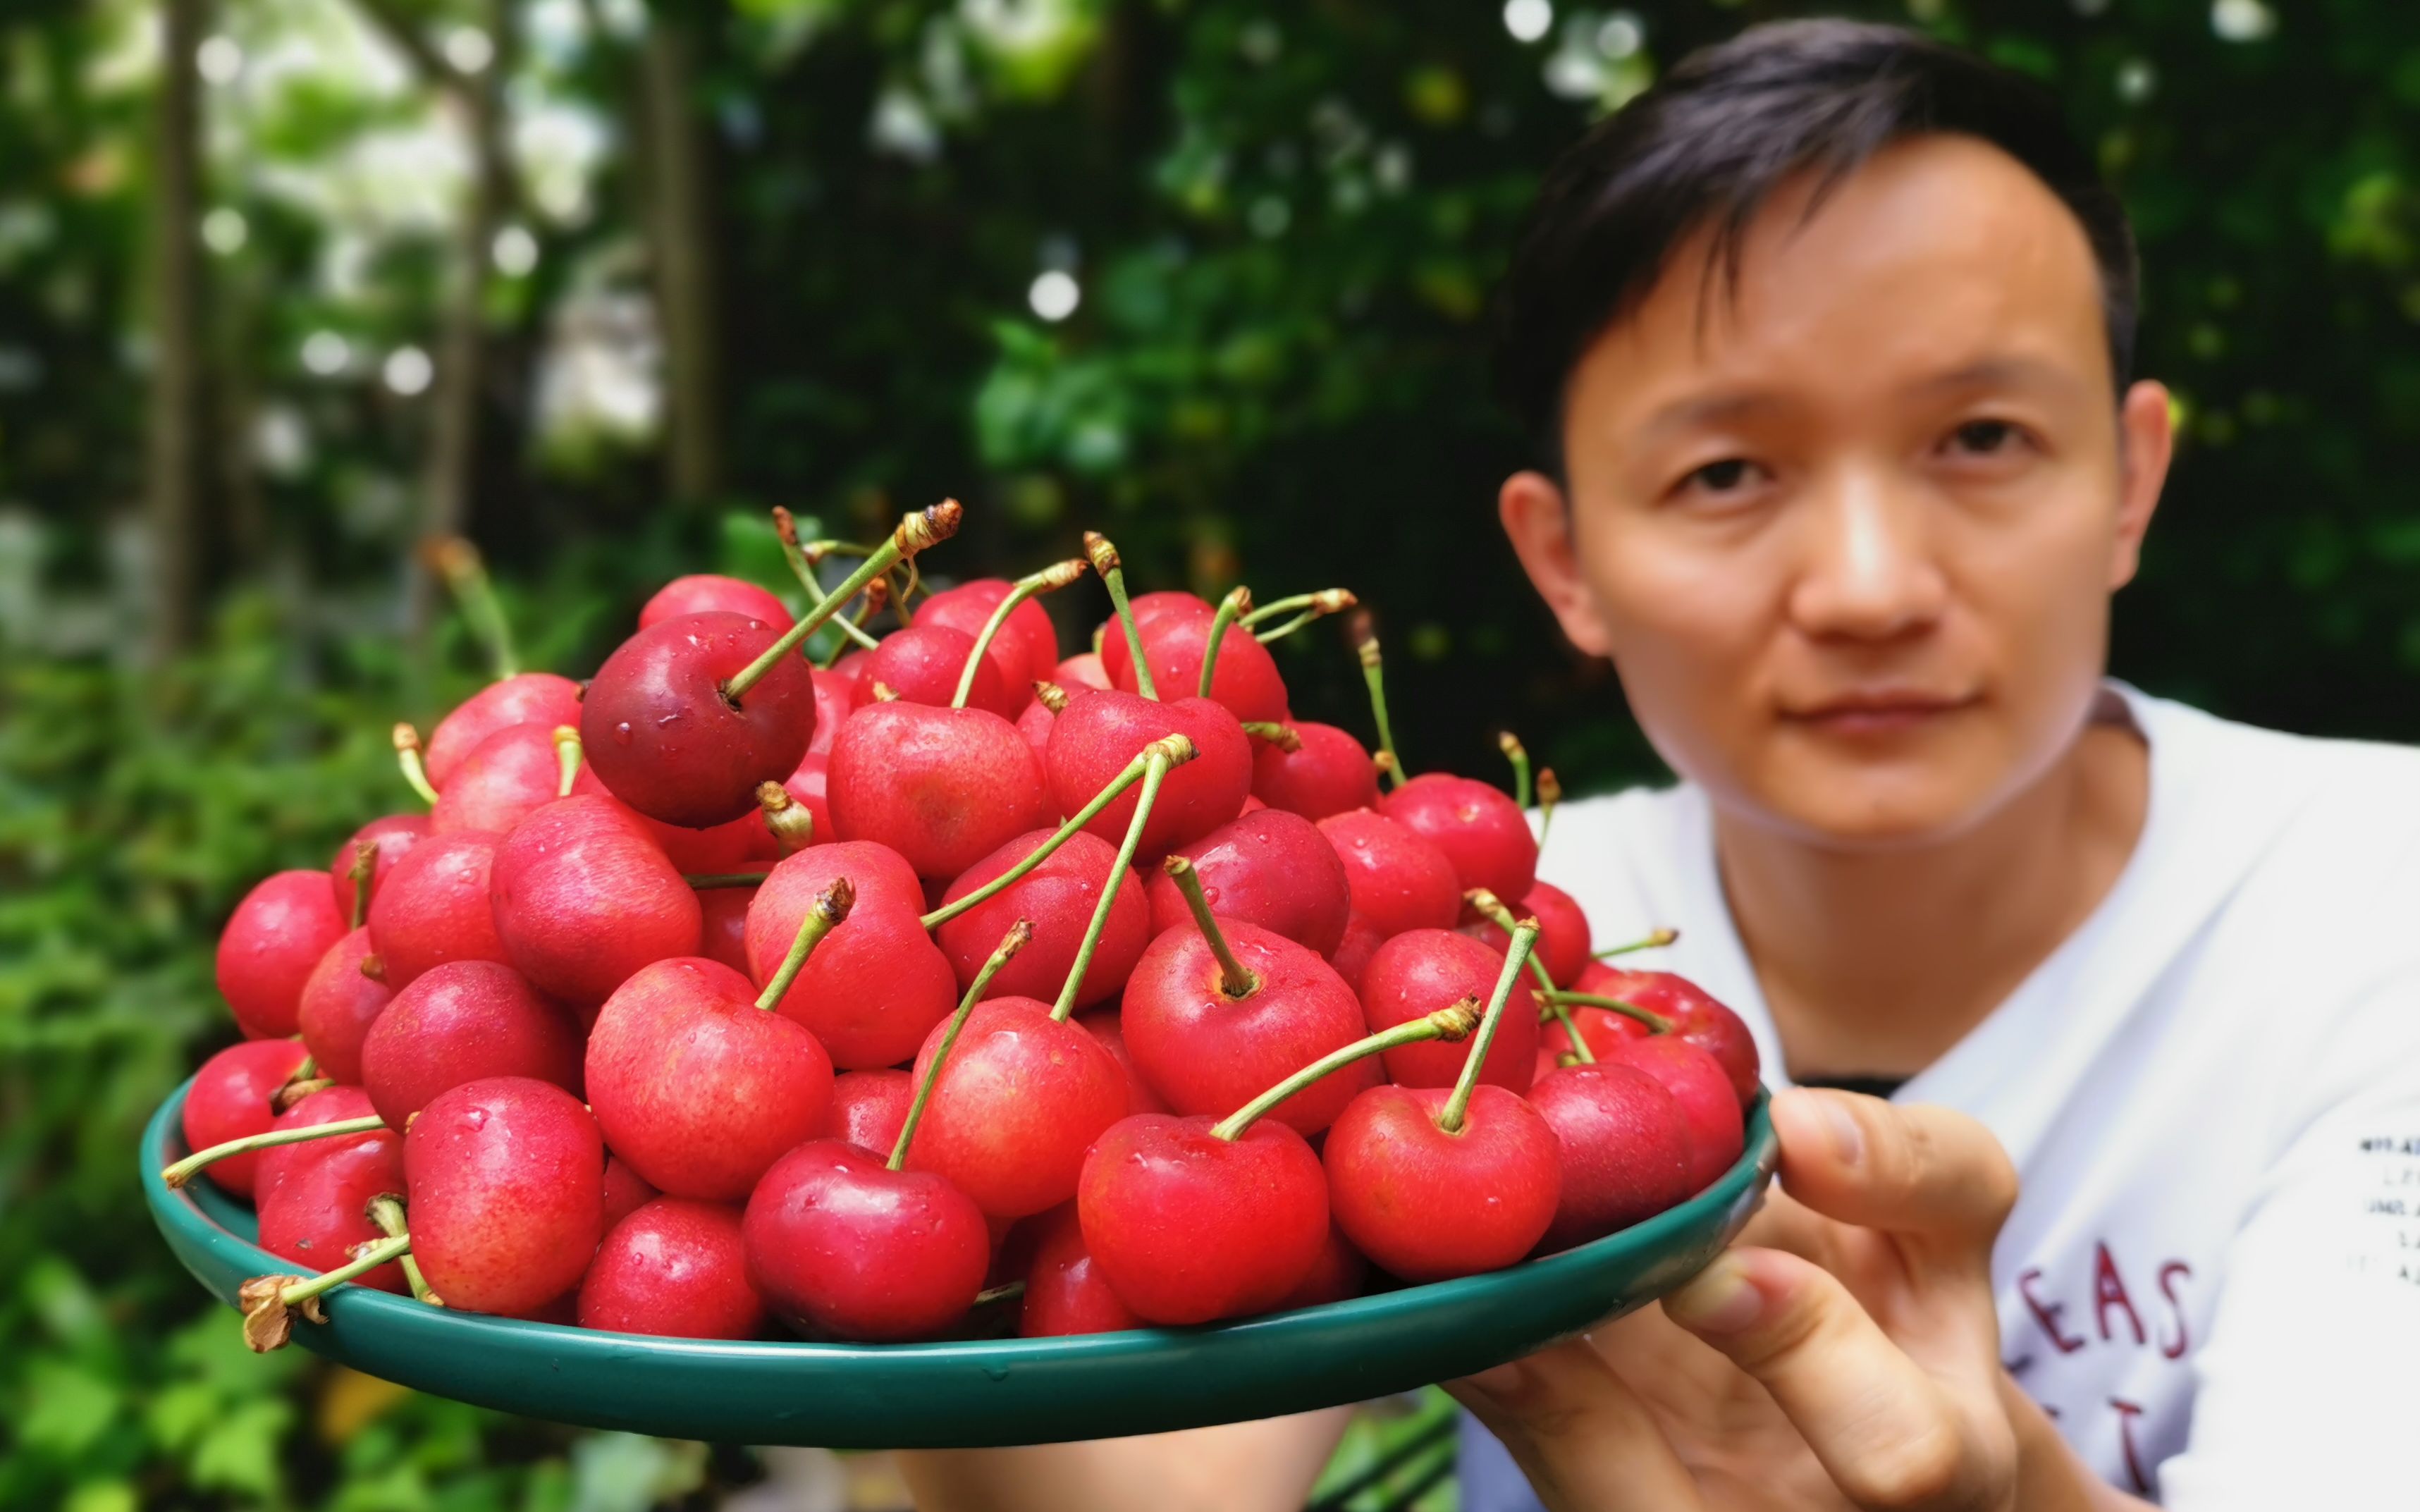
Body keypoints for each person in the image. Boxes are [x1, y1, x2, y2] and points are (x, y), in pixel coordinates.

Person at [899, 20, 2420, 1510]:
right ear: (1564, 561)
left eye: (1981, 437)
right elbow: (1160, 1464)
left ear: (2129, 481)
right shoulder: (1484, 929)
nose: (1869, 583)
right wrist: (910, 1210)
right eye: (1727, 471)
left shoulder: (2375, 906)